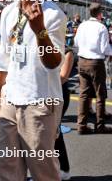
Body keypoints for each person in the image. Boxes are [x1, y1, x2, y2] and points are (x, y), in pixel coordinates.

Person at [0, 0, 67, 181]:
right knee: (7, 170)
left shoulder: (54, 15)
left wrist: (39, 29)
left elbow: (54, 63)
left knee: (43, 172)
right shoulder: (7, 11)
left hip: (40, 101)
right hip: (10, 100)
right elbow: (3, 57)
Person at [74, 3, 112, 134]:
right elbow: (104, 49)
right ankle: (100, 125)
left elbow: (76, 43)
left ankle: (81, 125)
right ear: (100, 14)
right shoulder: (101, 27)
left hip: (82, 61)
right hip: (96, 62)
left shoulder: (82, 25)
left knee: (83, 94)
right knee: (100, 95)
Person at [55, 46, 74, 180]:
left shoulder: (67, 53)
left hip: (59, 94)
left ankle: (63, 169)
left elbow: (63, 77)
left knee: (55, 132)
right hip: (42, 94)